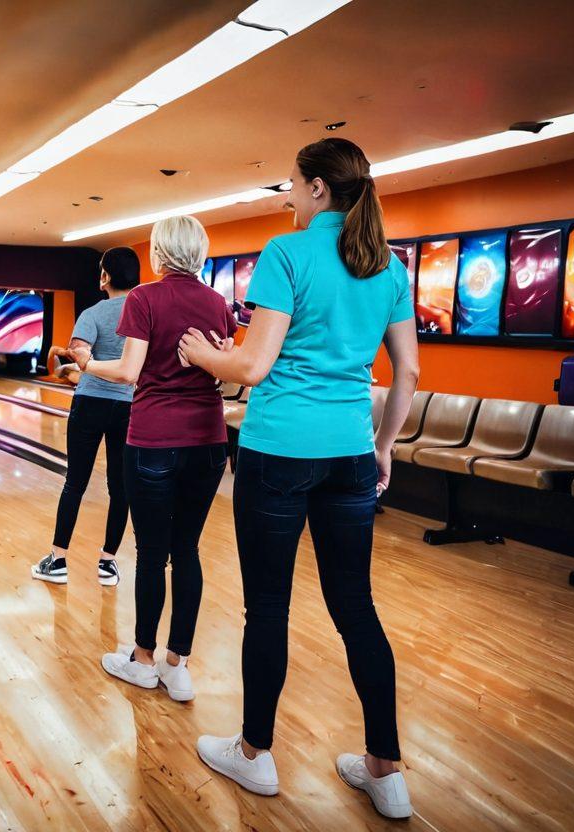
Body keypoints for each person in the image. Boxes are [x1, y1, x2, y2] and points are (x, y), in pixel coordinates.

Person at [177, 137, 420, 819]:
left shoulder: (287, 254)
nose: (286, 196)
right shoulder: (389, 265)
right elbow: (408, 372)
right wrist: (383, 445)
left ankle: (255, 755)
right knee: (356, 608)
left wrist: (202, 354)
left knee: (269, 607)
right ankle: (386, 769)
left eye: (290, 185)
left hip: (279, 450)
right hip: (348, 451)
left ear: (317, 189)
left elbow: (253, 368)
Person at [70, 217, 234, 703]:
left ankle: (142, 659)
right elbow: (225, 376)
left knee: (150, 552)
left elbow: (127, 372)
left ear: (160, 254)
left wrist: (85, 363)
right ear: (200, 253)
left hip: (155, 442)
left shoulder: (143, 298)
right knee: (187, 551)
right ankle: (177, 666)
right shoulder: (218, 304)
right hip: (208, 441)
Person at [32, 247, 141, 588]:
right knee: (119, 487)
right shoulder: (144, 313)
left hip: (91, 401)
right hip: (128, 405)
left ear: (105, 276)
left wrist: (79, 362)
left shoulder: (92, 313)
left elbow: (80, 357)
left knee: (75, 483)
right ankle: (108, 563)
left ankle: (58, 559)